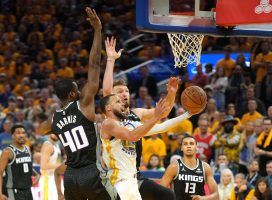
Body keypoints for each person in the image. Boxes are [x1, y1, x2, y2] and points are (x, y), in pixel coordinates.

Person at [37, 8, 111, 200]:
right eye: (77, 88)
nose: (80, 90)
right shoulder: (83, 104)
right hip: (91, 171)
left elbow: (39, 130)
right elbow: (94, 65)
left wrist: (58, 121)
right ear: (72, 93)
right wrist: (97, 31)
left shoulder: (53, 119)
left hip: (70, 177)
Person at [103, 37, 178, 200]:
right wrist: (110, 60)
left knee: (168, 196)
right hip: (117, 175)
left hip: (134, 173)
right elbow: (107, 91)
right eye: (119, 91)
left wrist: (171, 94)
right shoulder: (111, 117)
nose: (124, 94)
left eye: (126, 91)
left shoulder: (137, 112)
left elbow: (164, 112)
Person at [100, 95, 194, 200]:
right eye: (117, 101)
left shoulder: (129, 126)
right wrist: (156, 117)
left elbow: (161, 127)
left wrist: (188, 114)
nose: (122, 103)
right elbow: (132, 136)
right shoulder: (108, 123)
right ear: (108, 108)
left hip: (132, 180)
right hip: (118, 181)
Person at [160, 135, 219, 200]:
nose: (188, 146)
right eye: (185, 144)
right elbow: (159, 192)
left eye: (191, 144)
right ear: (181, 148)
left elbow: (216, 195)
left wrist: (203, 198)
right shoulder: (174, 167)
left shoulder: (205, 167)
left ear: (196, 147)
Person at [0, 124, 33, 200]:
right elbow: (0, 172)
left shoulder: (27, 149)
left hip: (28, 190)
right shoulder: (7, 152)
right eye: (18, 133)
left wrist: (36, 174)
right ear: (12, 136)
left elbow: (26, 165)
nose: (21, 135)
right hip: (14, 191)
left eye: (23, 133)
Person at [39, 134, 61, 200]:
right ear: (49, 133)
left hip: (55, 178)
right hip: (47, 179)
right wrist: (62, 165)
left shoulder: (56, 145)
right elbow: (43, 165)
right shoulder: (47, 145)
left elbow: (56, 163)